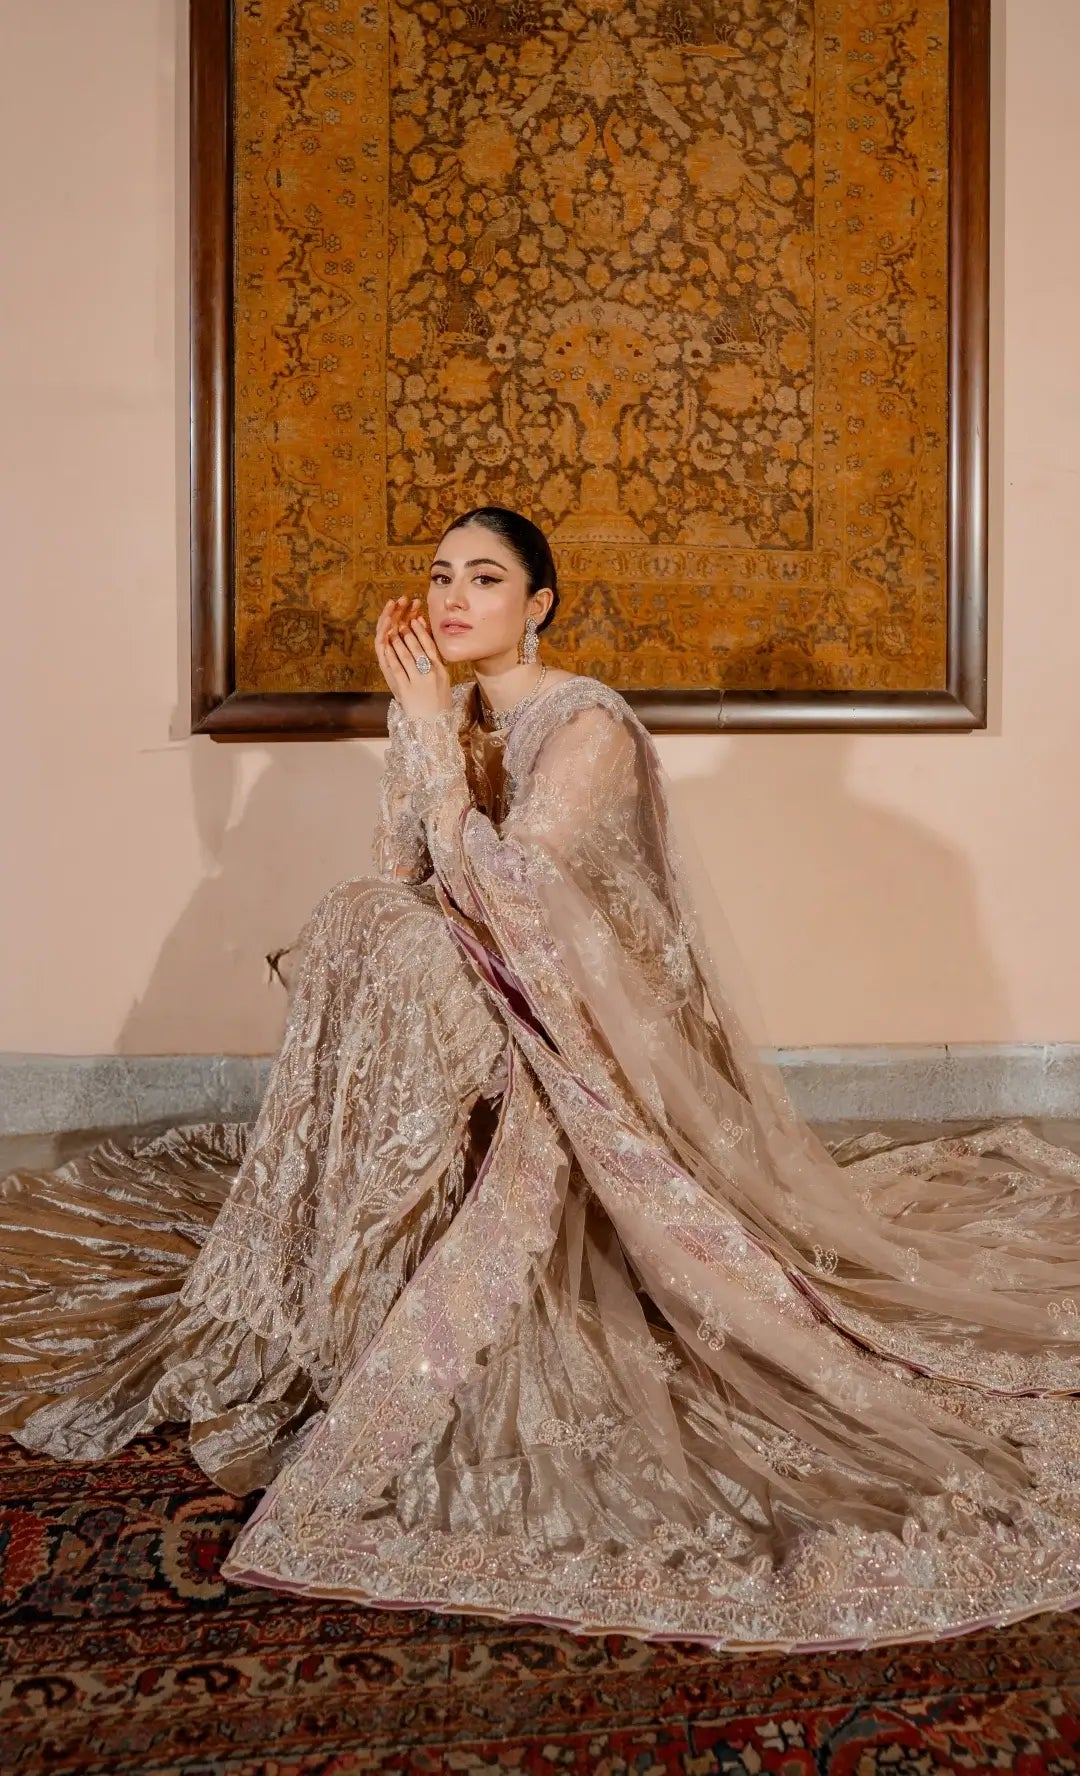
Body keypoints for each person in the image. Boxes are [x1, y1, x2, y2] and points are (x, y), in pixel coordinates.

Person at [1, 504, 1079, 1654]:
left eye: (485, 578)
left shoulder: (589, 729)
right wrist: (419, 732)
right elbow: (402, 873)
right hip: (488, 988)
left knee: (397, 934)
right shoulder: (452, 712)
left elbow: (518, 904)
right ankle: (365, 1250)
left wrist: (427, 745)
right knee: (368, 919)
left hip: (588, 1031)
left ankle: (436, 1244)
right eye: (439, 576)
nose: (453, 598)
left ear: (539, 604)